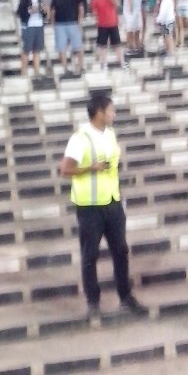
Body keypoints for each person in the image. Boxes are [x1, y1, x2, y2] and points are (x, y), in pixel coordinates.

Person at [59, 92, 147, 320]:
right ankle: (93, 302)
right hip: (90, 207)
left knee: (121, 251)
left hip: (112, 202)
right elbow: (65, 169)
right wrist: (91, 168)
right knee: (90, 256)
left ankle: (126, 297)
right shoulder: (80, 138)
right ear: (99, 112)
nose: (113, 114)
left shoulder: (110, 134)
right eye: (110, 110)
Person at [51, 0, 85, 74]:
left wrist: (79, 21)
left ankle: (80, 66)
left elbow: (81, 7)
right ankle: (65, 69)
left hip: (73, 23)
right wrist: (53, 24)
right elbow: (52, 12)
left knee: (78, 46)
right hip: (60, 25)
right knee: (62, 48)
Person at [90, 0, 124, 70]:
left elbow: (116, 4)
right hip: (102, 25)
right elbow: (94, 11)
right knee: (102, 45)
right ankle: (103, 63)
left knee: (117, 44)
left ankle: (121, 62)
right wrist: (96, 20)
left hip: (113, 24)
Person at [17, 0, 47, 76]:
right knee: (26, 50)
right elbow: (19, 13)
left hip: (39, 26)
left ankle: (36, 72)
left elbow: (44, 15)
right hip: (29, 26)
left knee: (37, 50)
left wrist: (44, 11)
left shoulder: (40, 1)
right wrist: (30, 10)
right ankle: (23, 72)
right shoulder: (25, 0)